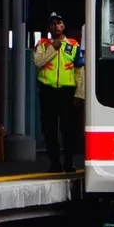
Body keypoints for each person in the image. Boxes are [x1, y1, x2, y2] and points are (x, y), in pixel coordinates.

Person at [34, 12, 85, 172]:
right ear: (48, 27)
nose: (56, 26)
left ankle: (69, 162)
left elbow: (79, 70)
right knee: (49, 129)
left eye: (59, 23)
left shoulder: (73, 45)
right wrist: (52, 48)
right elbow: (38, 61)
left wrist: (80, 94)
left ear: (64, 26)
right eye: (52, 24)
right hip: (47, 91)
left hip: (67, 92)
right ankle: (54, 163)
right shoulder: (42, 44)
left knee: (68, 129)